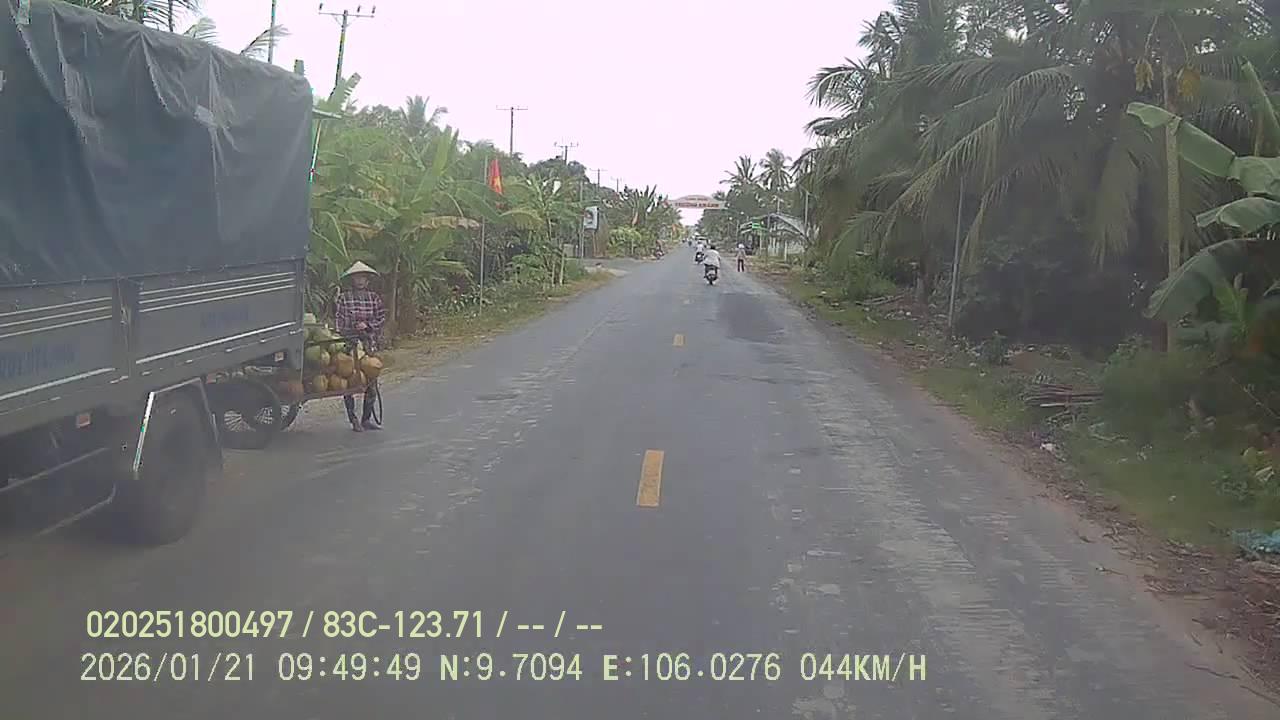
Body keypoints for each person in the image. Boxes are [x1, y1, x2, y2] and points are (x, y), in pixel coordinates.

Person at [334, 261, 387, 432]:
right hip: (349, 344)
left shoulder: (374, 298)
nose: (360, 281)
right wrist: (352, 329)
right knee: (348, 381)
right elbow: (339, 322)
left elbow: (381, 318)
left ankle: (366, 419)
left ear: (367, 280)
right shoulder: (344, 298)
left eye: (362, 278)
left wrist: (368, 326)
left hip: (368, 343)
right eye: (357, 278)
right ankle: (353, 419)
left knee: (371, 381)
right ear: (352, 280)